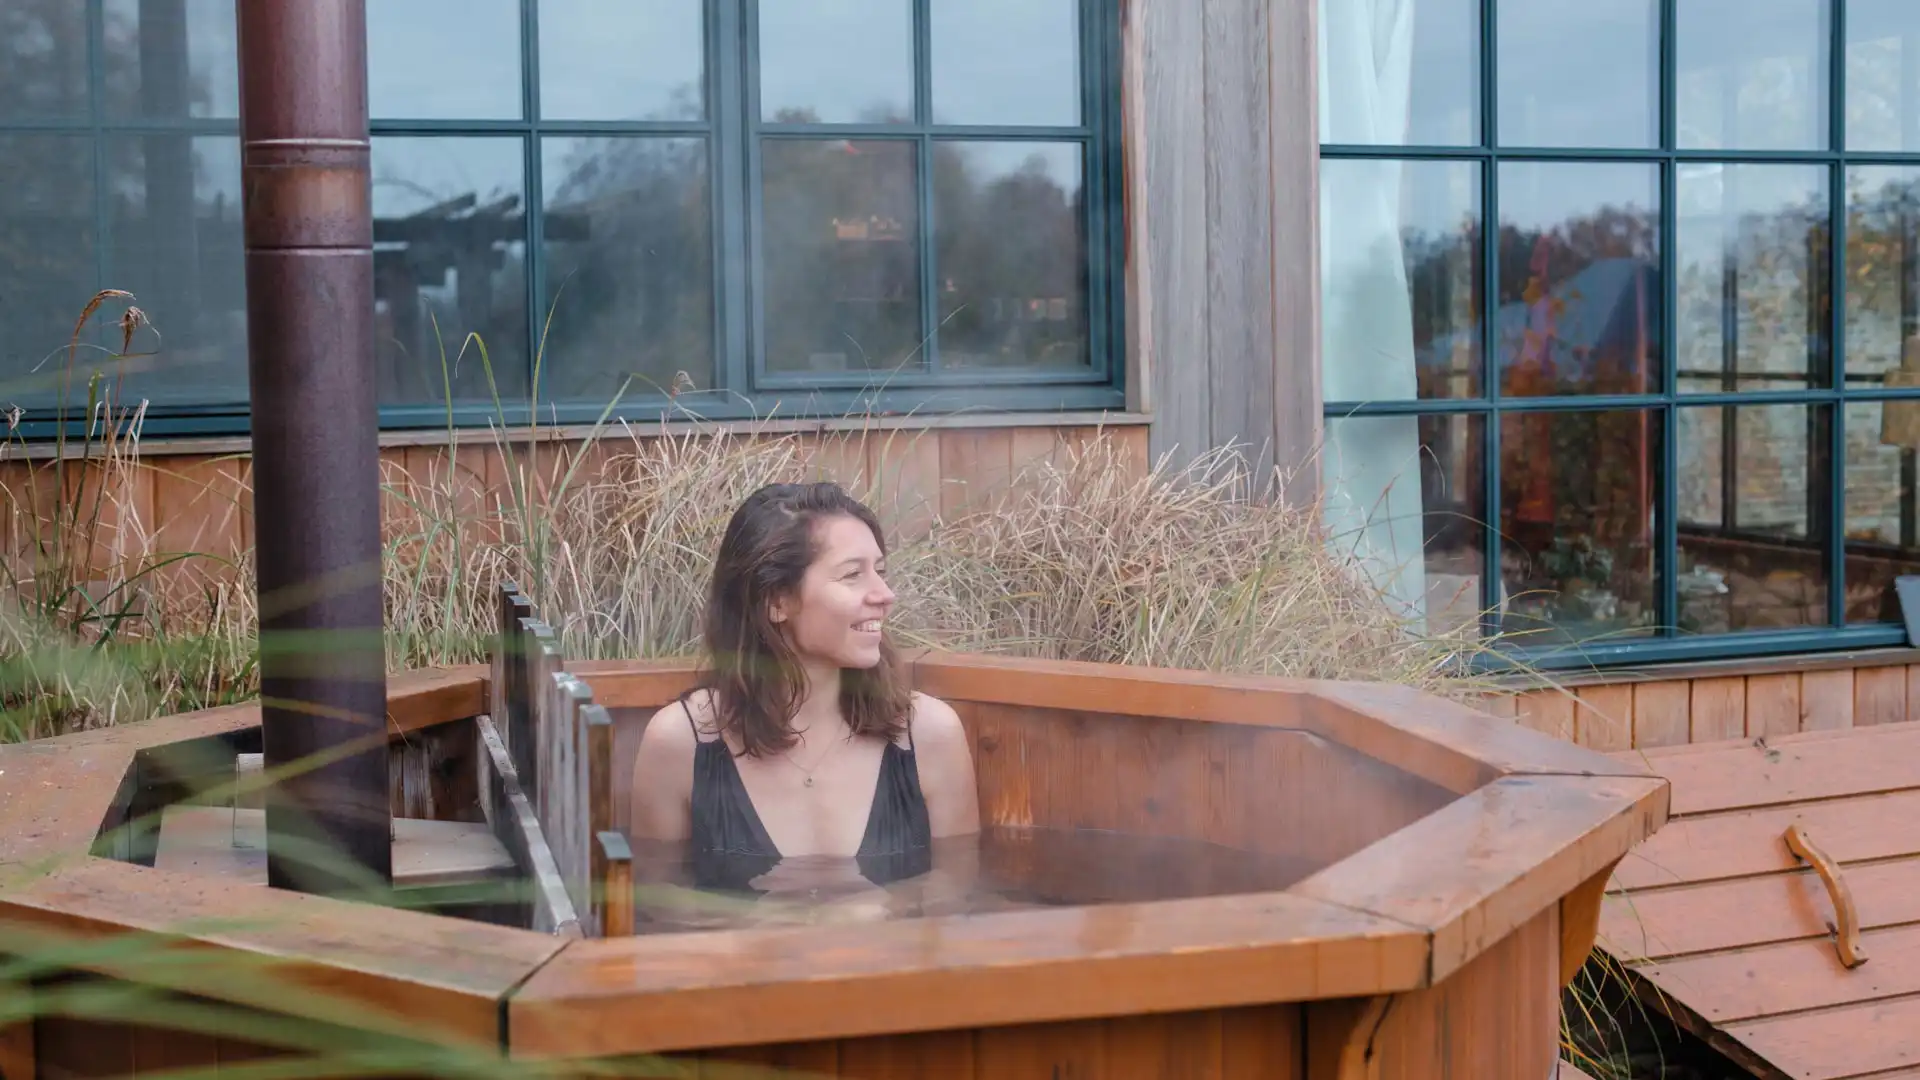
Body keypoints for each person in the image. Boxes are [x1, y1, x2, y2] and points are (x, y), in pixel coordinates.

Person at [627, 481, 980, 919]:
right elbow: (656, 899)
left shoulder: (927, 732)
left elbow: (960, 883)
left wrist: (887, 904)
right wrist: (754, 923)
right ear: (776, 600)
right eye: (853, 575)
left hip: (890, 977)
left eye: (880, 571)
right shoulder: (681, 741)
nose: (884, 595)